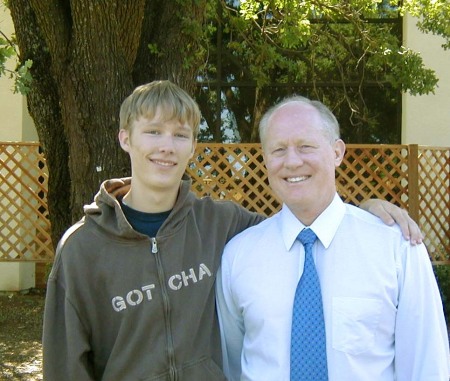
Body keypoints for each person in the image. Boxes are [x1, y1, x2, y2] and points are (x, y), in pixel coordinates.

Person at [42, 81, 423, 381]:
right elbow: (65, 364)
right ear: (126, 138)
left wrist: (368, 211)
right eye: (153, 132)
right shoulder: (83, 248)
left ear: (193, 145)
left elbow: (304, 224)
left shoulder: (221, 224)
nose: (166, 147)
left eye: (180, 135)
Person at [216, 96, 450, 381]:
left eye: (306, 146)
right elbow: (233, 362)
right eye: (278, 149)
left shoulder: (397, 248)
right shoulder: (239, 256)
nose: (292, 161)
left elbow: (427, 366)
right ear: (265, 159)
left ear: (337, 152)